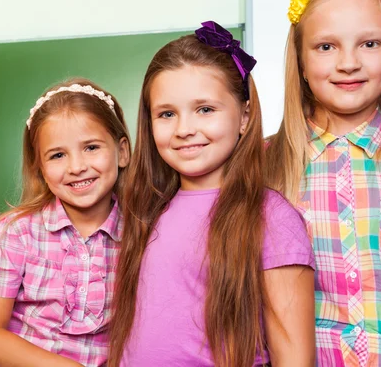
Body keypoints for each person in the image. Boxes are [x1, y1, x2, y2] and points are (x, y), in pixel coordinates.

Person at [109, 22, 315, 366]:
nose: (185, 129)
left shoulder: (270, 216)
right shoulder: (148, 210)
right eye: (167, 114)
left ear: (244, 117)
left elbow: (294, 357)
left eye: (205, 109)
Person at [266, 0, 381, 365]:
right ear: (301, 60)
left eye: (370, 43)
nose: (349, 63)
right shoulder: (259, 166)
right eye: (326, 46)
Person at [0, 78, 131, 367]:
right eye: (58, 155)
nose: (76, 166)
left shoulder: (142, 234)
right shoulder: (15, 233)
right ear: (40, 168)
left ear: (122, 151)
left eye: (91, 147)